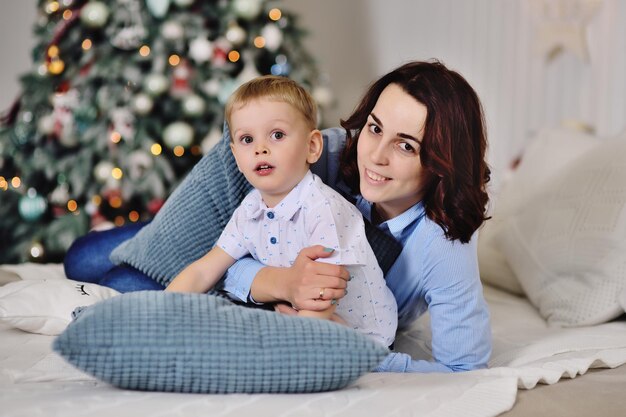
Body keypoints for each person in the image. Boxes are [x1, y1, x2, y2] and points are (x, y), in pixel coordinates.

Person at [64, 59, 492, 373]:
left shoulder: (443, 243)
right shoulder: (328, 152)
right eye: (375, 128)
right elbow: (236, 231)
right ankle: (151, 236)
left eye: (406, 146)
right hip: (240, 235)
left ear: (442, 162)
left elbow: (464, 371)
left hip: (280, 279)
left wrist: (364, 356)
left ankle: (145, 248)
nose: (375, 157)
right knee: (82, 259)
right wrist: (281, 283)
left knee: (115, 279)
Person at [165, 75, 397, 347]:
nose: (260, 149)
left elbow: (323, 294)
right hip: (300, 314)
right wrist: (159, 312)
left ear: (312, 147)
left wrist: (291, 349)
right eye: (247, 139)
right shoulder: (250, 210)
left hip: (362, 333)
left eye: (277, 135)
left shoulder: (322, 207)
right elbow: (204, 271)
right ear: (236, 156)